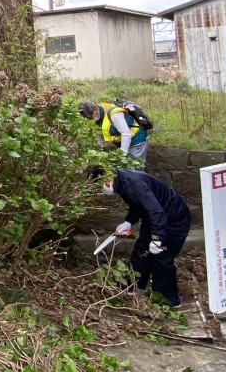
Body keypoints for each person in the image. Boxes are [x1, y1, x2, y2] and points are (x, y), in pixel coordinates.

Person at [96, 167, 191, 307]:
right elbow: (137, 204)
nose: (102, 189)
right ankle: (131, 285)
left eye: (101, 185)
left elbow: (157, 211)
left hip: (173, 219)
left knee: (161, 257)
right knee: (141, 250)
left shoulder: (134, 184)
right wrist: (129, 221)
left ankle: (167, 298)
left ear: (107, 178)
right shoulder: (121, 181)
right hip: (152, 218)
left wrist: (157, 238)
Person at [79, 100, 149, 166]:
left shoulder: (114, 114)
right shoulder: (97, 117)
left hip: (137, 141)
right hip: (123, 143)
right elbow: (100, 137)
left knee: (134, 168)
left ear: (95, 109)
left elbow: (126, 134)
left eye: (91, 117)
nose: (91, 119)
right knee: (125, 168)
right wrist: (97, 154)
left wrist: (122, 154)